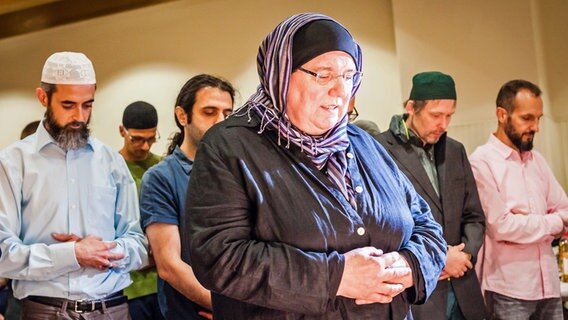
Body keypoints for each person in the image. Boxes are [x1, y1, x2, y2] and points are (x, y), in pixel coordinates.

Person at [182, 13, 447, 319]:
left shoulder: (364, 143)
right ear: (280, 74)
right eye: (323, 74)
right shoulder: (230, 147)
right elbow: (219, 257)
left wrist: (411, 264)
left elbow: (428, 228)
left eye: (348, 76)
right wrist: (335, 277)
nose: (340, 90)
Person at [0, 51, 147, 319]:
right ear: (43, 98)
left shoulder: (111, 162)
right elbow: (3, 254)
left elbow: (138, 245)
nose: (79, 116)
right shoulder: (12, 163)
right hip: (43, 311)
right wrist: (73, 254)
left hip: (111, 309)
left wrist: (100, 252)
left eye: (87, 105)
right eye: (68, 105)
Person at [377, 71, 486, 320]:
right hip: (419, 295)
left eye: (449, 116)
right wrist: (439, 259)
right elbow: (385, 226)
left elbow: (474, 216)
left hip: (463, 288)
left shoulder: (455, 150)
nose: (443, 124)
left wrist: (465, 254)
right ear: (411, 107)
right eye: (436, 115)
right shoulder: (380, 150)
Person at [470, 79, 568, 320]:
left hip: (549, 286)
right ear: (502, 115)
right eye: (527, 118)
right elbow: (501, 226)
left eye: (538, 118)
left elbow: (565, 211)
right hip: (509, 290)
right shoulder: (481, 162)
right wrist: (551, 223)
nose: (536, 127)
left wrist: (528, 222)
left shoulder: (537, 161)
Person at [140, 74, 235, 319]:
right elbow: (169, 266)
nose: (220, 122)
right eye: (209, 112)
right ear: (183, 116)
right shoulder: (162, 178)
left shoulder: (238, 171)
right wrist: (226, 309)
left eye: (227, 113)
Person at [118, 101, 163, 320]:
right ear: (122, 131)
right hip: (129, 286)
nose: (145, 146)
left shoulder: (163, 167)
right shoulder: (109, 168)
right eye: (136, 139)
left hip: (164, 281)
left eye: (151, 139)